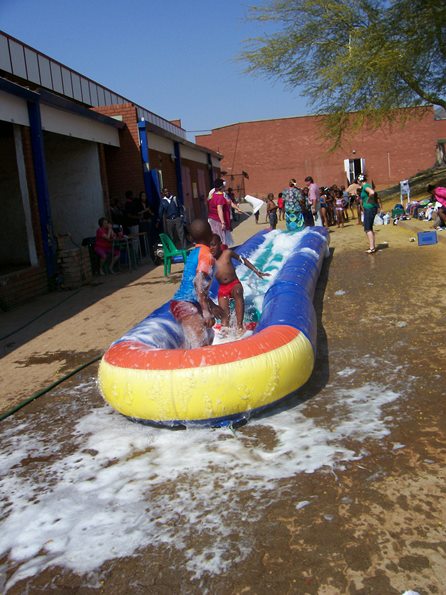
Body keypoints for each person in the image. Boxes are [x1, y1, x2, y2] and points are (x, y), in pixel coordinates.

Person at [170, 220, 223, 349]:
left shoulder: (194, 252)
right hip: (186, 305)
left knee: (208, 336)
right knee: (201, 344)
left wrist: (211, 305)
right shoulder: (206, 254)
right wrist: (206, 312)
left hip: (183, 303)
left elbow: (194, 286)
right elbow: (198, 284)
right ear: (210, 234)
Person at [209, 234, 269, 333]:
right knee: (224, 320)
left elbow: (243, 260)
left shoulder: (227, 253)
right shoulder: (211, 260)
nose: (211, 248)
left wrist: (256, 271)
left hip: (234, 284)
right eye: (209, 246)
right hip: (222, 289)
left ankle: (239, 325)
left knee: (237, 291)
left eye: (213, 245)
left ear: (220, 244)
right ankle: (226, 333)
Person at [358, 174, 382, 253]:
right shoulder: (367, 185)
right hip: (371, 208)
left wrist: (369, 201)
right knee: (369, 228)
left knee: (367, 228)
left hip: (369, 208)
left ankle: (372, 248)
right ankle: (372, 246)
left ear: (359, 181)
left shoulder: (365, 187)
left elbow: (372, 192)